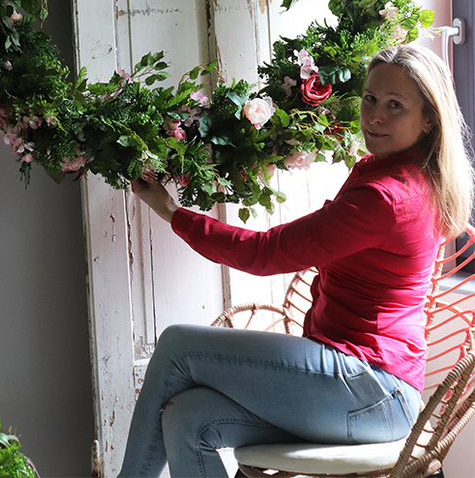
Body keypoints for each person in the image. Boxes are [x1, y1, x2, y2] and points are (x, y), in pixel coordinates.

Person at [118, 44, 474, 478]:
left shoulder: (388, 196)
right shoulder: (400, 172)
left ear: (429, 119)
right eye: (370, 98)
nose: (374, 115)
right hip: (357, 383)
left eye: (395, 105)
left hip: (370, 388)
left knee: (177, 345)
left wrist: (171, 212)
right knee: (189, 418)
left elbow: (266, 253)